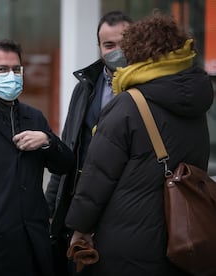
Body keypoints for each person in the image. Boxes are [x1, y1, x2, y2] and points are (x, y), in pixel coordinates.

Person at [65, 12, 213, 276]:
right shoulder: (197, 105)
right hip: (182, 236)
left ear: (137, 54)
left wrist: (79, 229)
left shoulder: (128, 104)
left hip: (128, 244)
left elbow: (97, 178)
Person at [0, 39, 75, 276]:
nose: (11, 75)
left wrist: (47, 141)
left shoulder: (33, 117)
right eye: (2, 69)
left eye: (16, 69)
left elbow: (65, 165)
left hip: (34, 239)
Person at [44, 11, 132, 275]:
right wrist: (51, 207)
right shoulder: (85, 88)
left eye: (123, 43)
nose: (117, 51)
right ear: (99, 47)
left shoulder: (147, 89)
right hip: (81, 206)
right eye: (109, 45)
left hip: (124, 211)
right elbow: (69, 145)